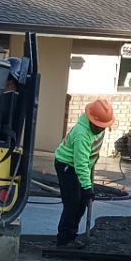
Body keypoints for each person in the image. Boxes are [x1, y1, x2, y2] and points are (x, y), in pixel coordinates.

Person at [52, 98, 113, 248]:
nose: (101, 129)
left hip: (80, 165)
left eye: (103, 127)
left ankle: (72, 236)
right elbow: (80, 163)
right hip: (66, 165)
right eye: (98, 126)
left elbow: (91, 154)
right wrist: (87, 187)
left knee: (81, 204)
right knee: (72, 202)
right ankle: (64, 239)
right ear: (92, 120)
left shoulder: (99, 128)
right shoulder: (82, 134)